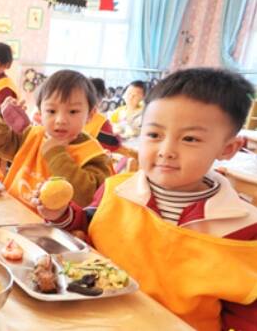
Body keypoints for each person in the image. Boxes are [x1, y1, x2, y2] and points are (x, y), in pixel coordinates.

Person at [34, 68, 257, 331]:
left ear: (227, 148)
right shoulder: (115, 190)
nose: (166, 151)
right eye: (154, 135)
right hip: (92, 319)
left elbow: (246, 313)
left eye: (190, 139)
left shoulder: (242, 229)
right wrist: (60, 213)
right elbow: (87, 228)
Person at [0, 70, 112, 207]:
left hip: (53, 227)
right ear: (39, 112)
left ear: (90, 115)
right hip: (11, 215)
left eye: (73, 111)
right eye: (51, 111)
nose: (61, 120)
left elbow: (88, 197)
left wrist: (56, 154)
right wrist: (0, 117)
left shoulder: (92, 153)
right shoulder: (31, 135)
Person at [85, 77, 122, 152]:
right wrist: (118, 137)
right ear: (100, 99)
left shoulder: (70, 115)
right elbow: (112, 145)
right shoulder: (101, 122)